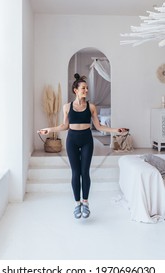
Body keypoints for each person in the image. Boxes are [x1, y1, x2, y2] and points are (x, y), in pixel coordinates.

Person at [38, 73, 128, 219]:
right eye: (83, 88)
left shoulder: (91, 107)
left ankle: (85, 203)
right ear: (76, 90)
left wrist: (115, 130)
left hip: (87, 140)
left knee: (84, 172)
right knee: (75, 172)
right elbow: (64, 126)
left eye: (87, 88)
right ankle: (76, 204)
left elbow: (99, 126)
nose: (86, 90)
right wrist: (49, 129)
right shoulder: (66, 107)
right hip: (72, 140)